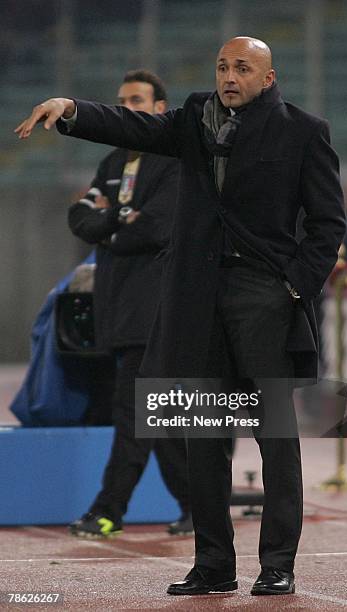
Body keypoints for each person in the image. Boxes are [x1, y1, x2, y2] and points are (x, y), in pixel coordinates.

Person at [16, 36, 346, 597]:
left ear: (268, 78)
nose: (228, 75)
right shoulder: (194, 117)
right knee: (201, 435)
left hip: (263, 297)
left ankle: (277, 563)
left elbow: (327, 225)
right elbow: (134, 127)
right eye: (222, 66)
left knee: (276, 436)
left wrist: (293, 286)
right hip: (198, 300)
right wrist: (72, 109)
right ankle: (214, 564)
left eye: (242, 67)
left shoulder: (304, 130)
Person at [66, 70, 192, 537]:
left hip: (155, 308)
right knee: (160, 414)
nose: (126, 108)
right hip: (118, 305)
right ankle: (198, 505)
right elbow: (79, 220)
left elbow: (157, 228)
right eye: (121, 101)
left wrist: (108, 225)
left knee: (133, 410)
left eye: (136, 99)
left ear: (161, 108)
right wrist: (120, 218)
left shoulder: (176, 161)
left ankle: (108, 511)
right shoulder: (113, 161)